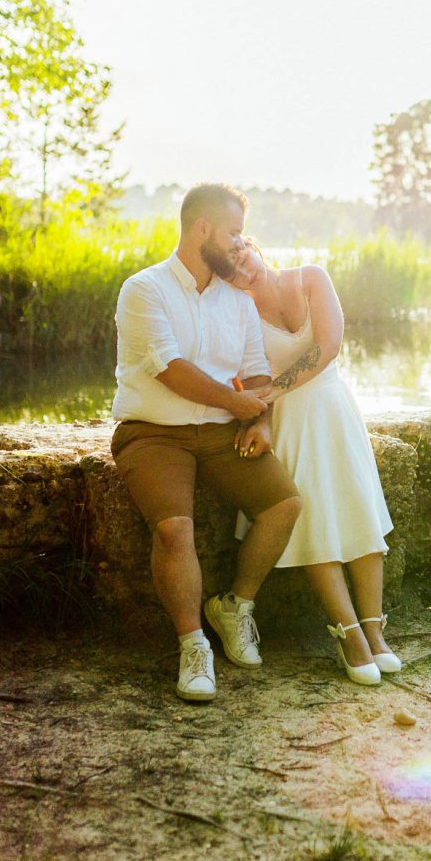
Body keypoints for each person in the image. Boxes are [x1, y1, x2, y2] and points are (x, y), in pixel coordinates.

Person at [110, 184, 302, 702]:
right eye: (234, 232)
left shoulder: (236, 300)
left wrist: (259, 423)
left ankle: (235, 607)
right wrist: (236, 404)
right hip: (153, 433)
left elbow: (255, 369)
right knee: (175, 530)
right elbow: (170, 369)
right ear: (202, 230)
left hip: (220, 432)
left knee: (284, 505)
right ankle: (193, 645)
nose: (241, 245)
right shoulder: (143, 289)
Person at [231, 241, 399, 686]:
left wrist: (273, 388)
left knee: (359, 512)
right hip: (289, 423)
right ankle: (348, 635)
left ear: (253, 246)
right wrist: (264, 408)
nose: (239, 266)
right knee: (316, 521)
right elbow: (246, 377)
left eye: (240, 252)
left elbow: (328, 346)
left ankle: (375, 632)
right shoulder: (240, 317)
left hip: (334, 409)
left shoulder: (311, 277)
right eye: (228, 267)